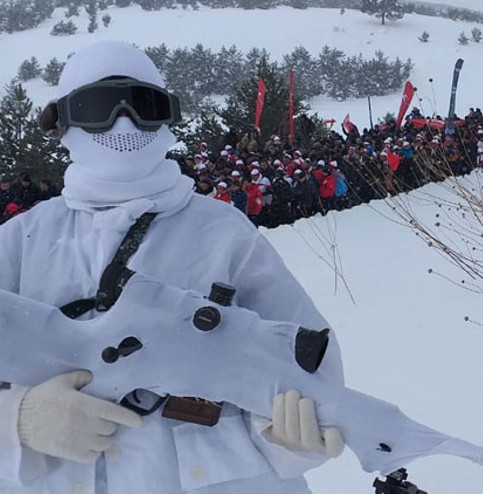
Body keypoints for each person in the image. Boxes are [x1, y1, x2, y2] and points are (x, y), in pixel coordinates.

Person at [0, 41, 344, 494]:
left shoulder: (223, 232)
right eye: (98, 107)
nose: (123, 123)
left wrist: (289, 434)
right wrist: (17, 422)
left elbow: (311, 361)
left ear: (166, 118)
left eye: (143, 106)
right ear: (60, 122)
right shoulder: (20, 241)